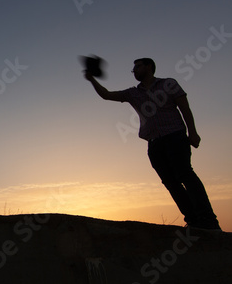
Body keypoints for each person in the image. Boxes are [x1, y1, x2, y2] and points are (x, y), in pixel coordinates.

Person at [84, 57, 221, 231]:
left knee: (185, 175)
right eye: (133, 68)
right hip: (154, 144)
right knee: (170, 182)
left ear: (149, 67)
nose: (134, 70)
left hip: (175, 137)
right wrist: (91, 80)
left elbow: (185, 108)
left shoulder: (168, 84)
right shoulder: (133, 93)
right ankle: (194, 221)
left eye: (138, 66)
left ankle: (209, 220)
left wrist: (192, 132)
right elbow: (107, 95)